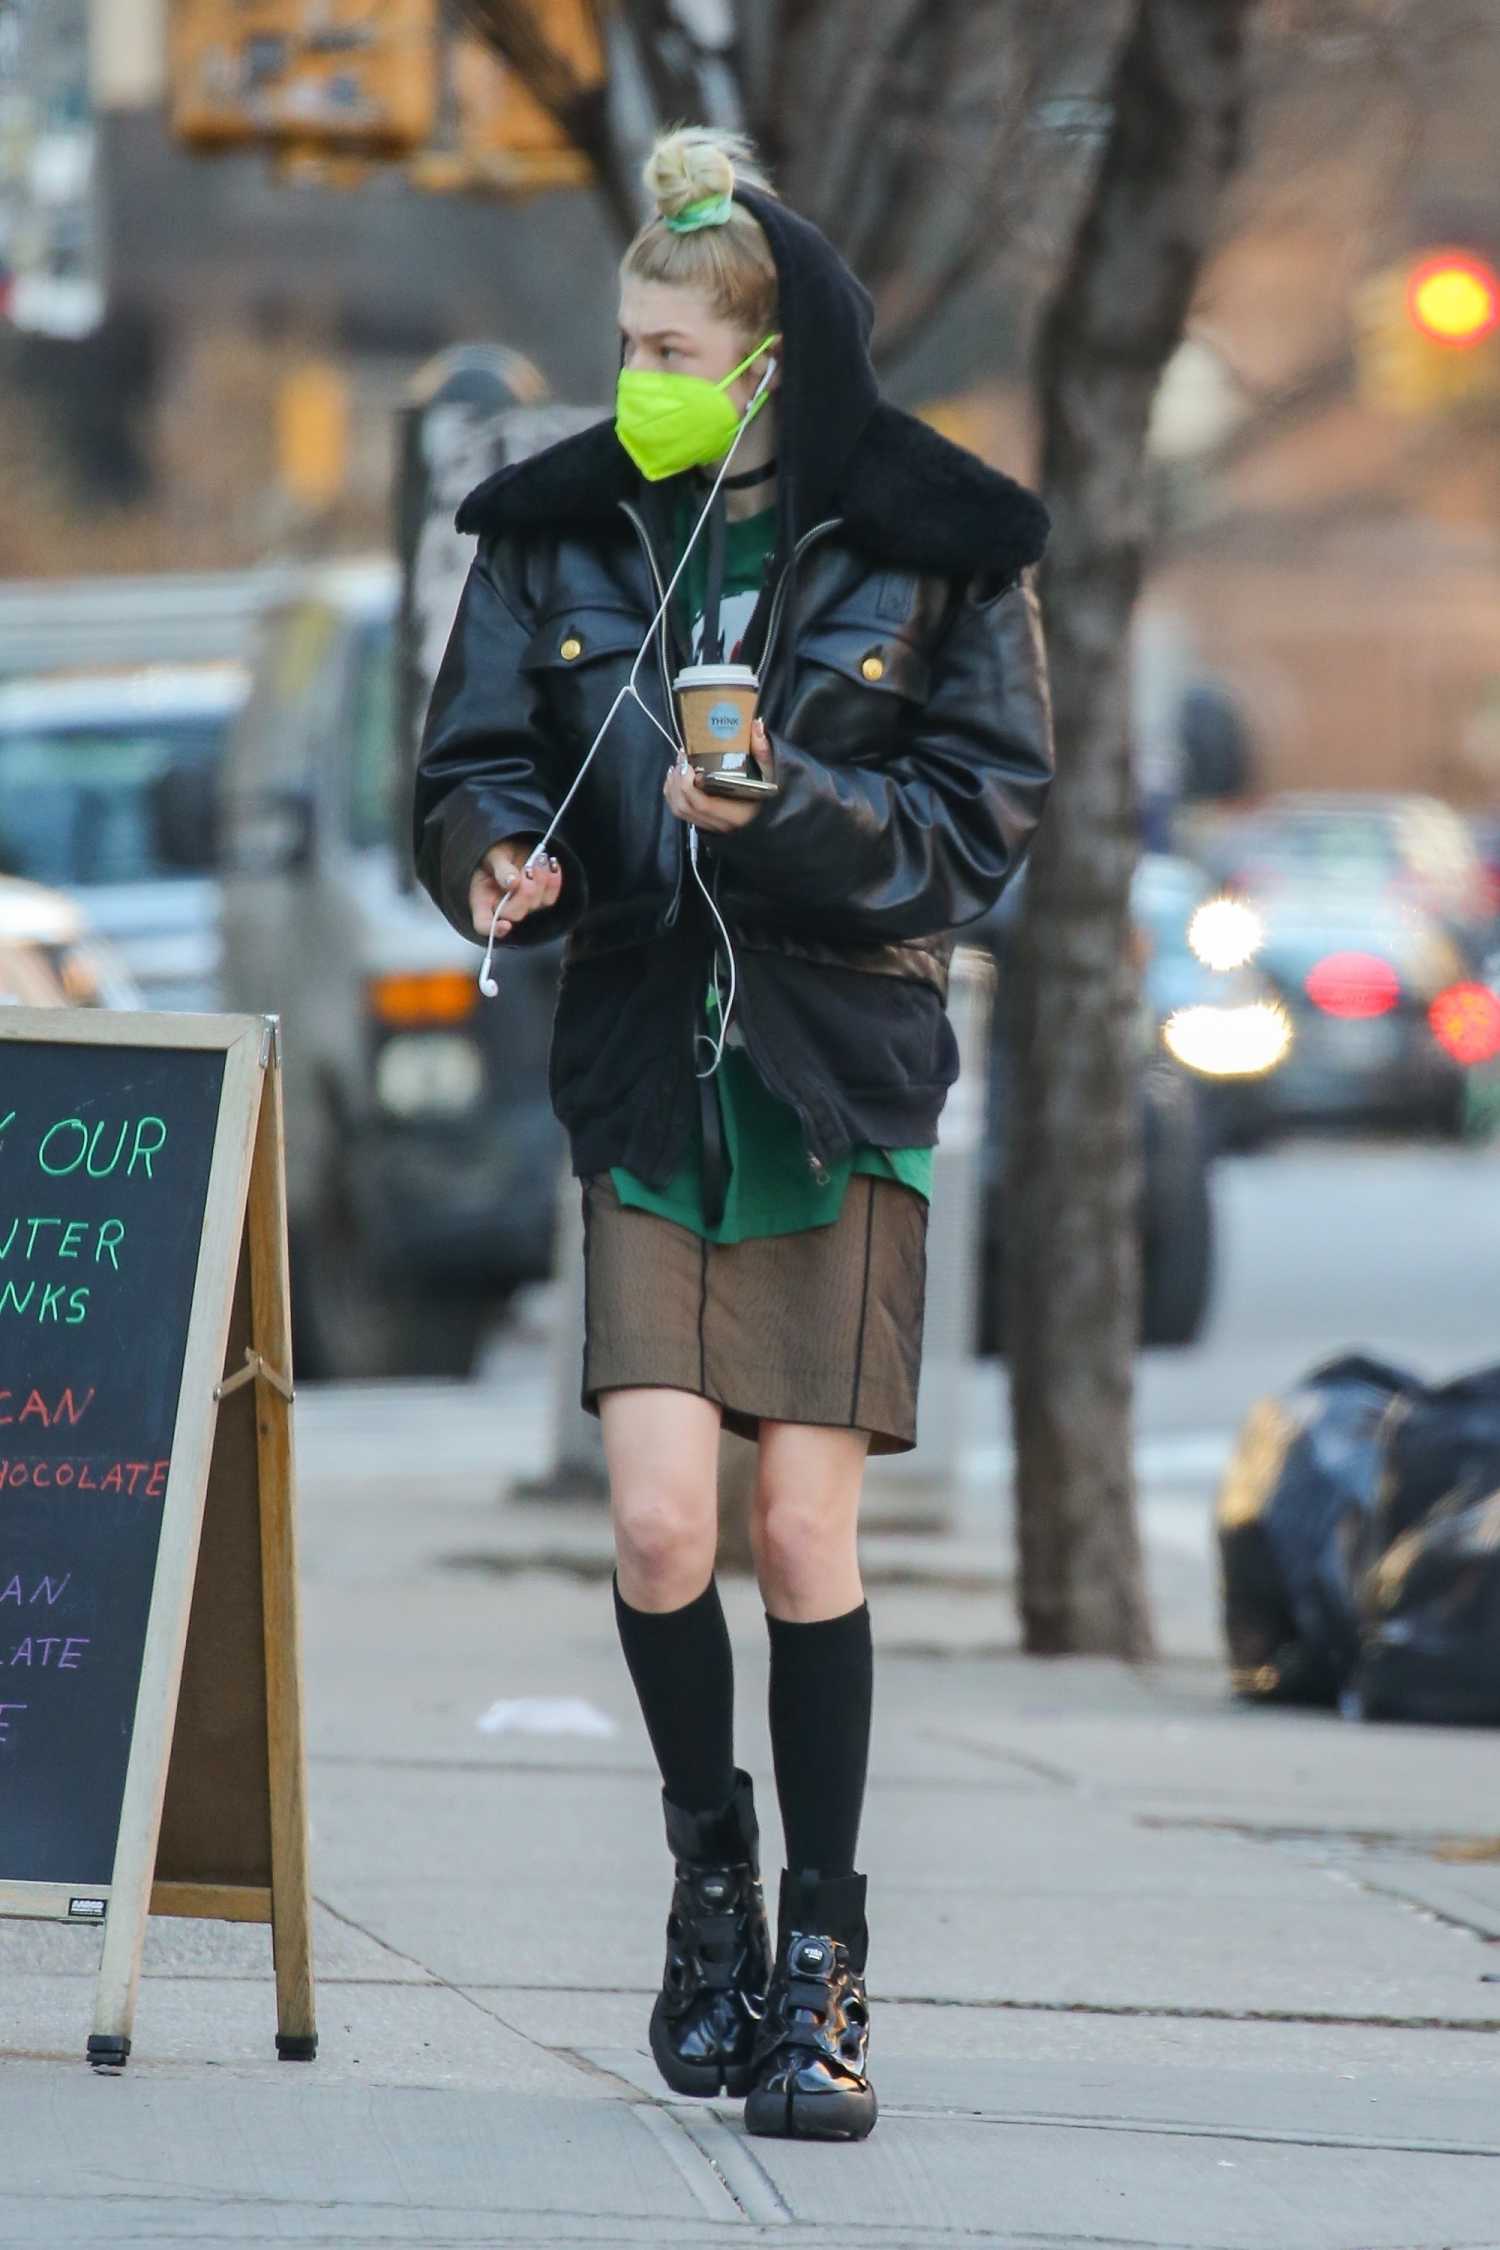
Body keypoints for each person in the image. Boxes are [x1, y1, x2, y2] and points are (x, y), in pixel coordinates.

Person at [414, 125, 1054, 2143]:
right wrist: (493, 858)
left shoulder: (941, 548)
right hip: (640, 1066)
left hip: (836, 1068)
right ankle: (712, 1888)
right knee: (666, 1527)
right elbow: (466, 757)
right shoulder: (561, 532)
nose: (637, 379)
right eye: (623, 342)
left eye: (670, 344)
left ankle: (825, 1970)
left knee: (801, 1534)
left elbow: (977, 828)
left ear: (770, 363)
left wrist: (789, 818)